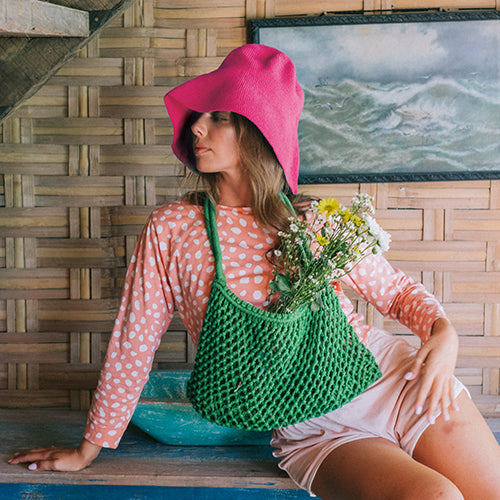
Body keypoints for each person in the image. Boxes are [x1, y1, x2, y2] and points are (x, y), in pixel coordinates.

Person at [9, 44, 500, 499]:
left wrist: (444, 334)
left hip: (399, 382)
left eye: (218, 117)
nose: (196, 127)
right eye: (199, 116)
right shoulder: (173, 229)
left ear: (258, 127)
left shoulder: (310, 219)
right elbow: (133, 341)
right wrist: (89, 447)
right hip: (317, 428)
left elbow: (393, 293)